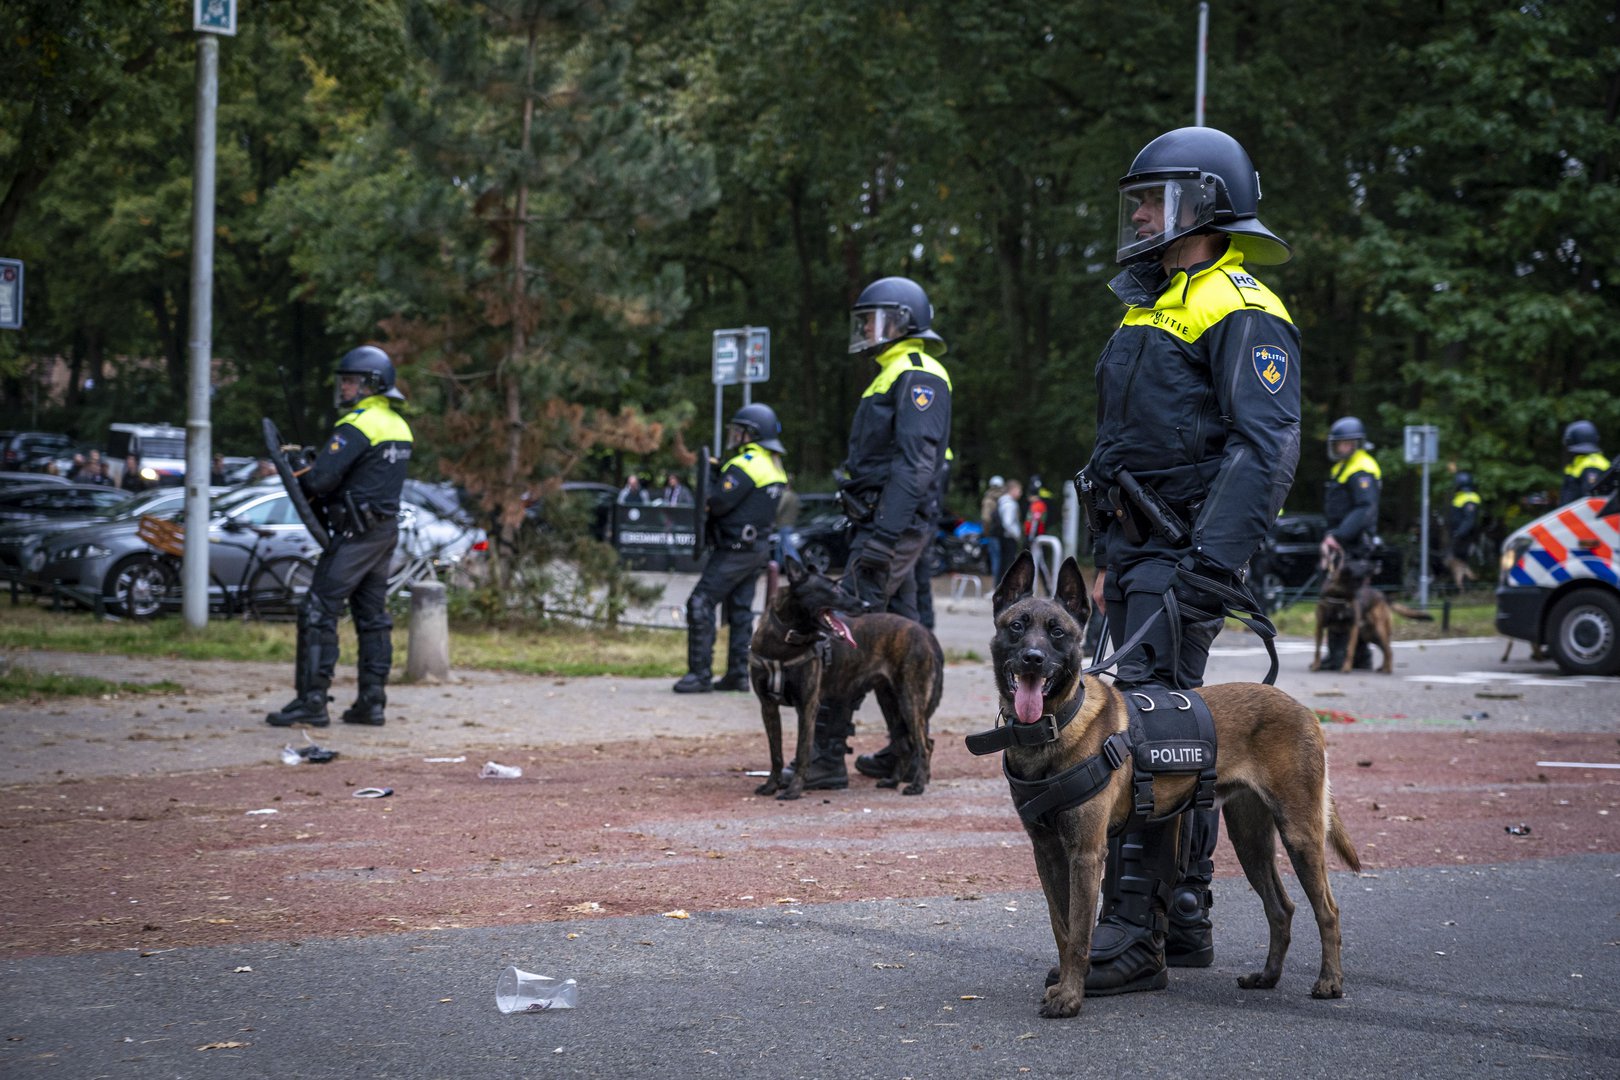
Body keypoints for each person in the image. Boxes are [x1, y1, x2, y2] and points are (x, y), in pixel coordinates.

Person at [1076, 126, 1301, 997]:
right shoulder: (1151, 300)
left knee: (1149, 737)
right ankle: (1188, 912)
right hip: (1137, 551)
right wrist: (1110, 559)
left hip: (1184, 553)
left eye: (1151, 197)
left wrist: (1212, 564)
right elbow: (1125, 443)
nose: (1136, 212)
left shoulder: (1241, 303)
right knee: (1173, 731)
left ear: (1203, 204)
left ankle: (1135, 928)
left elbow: (1265, 445)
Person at [805, 275, 951, 790]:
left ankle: (822, 757)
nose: (864, 327)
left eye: (872, 318)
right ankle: (907, 752)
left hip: (895, 525)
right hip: (885, 520)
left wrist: (883, 539)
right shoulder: (889, 373)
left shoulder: (918, 373)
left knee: (845, 631)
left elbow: (916, 466)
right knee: (900, 639)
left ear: (902, 320)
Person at [266, 345, 413, 729]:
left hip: (354, 535)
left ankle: (312, 701)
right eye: (344, 380)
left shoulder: (359, 425)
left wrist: (301, 464)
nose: (344, 387)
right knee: (372, 618)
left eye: (351, 381)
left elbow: (319, 481)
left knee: (318, 609)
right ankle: (372, 701)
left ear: (372, 384)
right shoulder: (399, 425)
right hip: (383, 532)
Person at [673, 403, 787, 695]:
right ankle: (737, 674)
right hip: (756, 549)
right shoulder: (774, 466)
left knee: (700, 602)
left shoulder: (746, 464)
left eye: (739, 431)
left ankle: (699, 674)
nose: (735, 436)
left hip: (734, 550)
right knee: (739, 610)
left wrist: (711, 475)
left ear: (752, 434)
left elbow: (717, 502)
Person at [1320, 415, 1381, 669]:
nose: (1342, 448)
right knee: (1345, 599)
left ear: (1358, 444)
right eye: (1339, 444)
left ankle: (1343, 655)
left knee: (1341, 598)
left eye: (1347, 444)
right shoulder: (1344, 468)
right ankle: (1355, 655)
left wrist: (1338, 536)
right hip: (1345, 543)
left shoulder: (1362, 468)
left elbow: (1364, 509)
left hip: (1353, 546)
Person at [1559, 421, 1610, 505]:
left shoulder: (1593, 465)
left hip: (1582, 517)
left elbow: (1591, 501)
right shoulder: (1578, 463)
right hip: (1571, 516)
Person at [1446, 470, 1482, 590]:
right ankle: (1463, 586)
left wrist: (1459, 533)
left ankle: (1464, 586)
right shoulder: (1461, 496)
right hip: (1460, 536)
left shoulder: (1470, 498)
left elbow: (1469, 520)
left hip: (1464, 537)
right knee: (1458, 561)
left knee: (1457, 561)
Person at [979, 474, 1006, 584]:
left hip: (993, 534)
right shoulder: (1006, 498)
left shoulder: (988, 499)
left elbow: (986, 519)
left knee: (995, 559)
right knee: (1005, 560)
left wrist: (986, 533)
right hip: (1005, 534)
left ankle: (996, 585)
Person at [994, 478, 1024, 575]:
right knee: (1008, 564)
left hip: (1004, 536)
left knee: (1003, 564)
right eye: (1019, 490)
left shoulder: (1002, 501)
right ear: (1013, 490)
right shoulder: (1010, 504)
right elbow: (1008, 523)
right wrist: (1017, 535)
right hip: (1009, 537)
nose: (1020, 493)